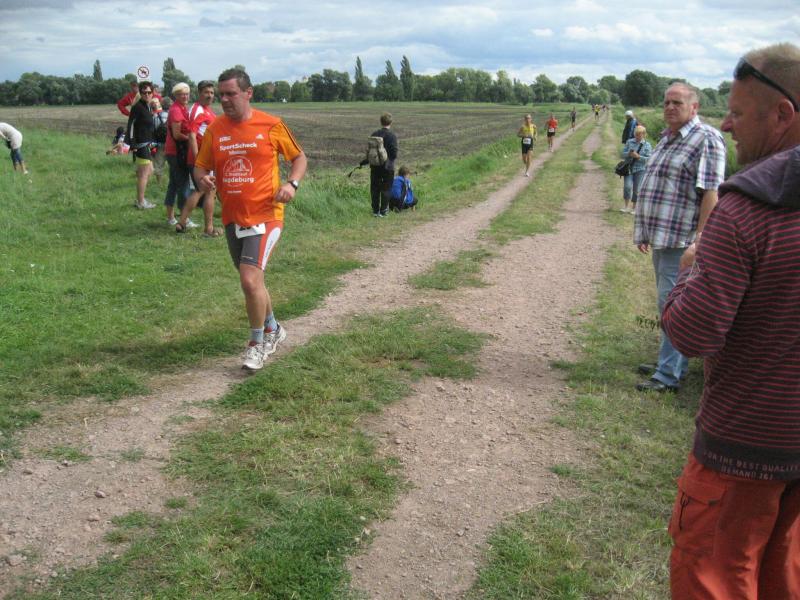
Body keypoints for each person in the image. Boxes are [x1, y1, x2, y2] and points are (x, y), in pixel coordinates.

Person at [661, 42, 800, 600]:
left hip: (744, 445)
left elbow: (692, 333)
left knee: (715, 576)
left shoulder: (746, 209)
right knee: (783, 576)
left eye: (738, 112)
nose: (726, 123)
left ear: (783, 114)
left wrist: (688, 273)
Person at [194, 68, 307, 371]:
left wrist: (291, 184)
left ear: (248, 93)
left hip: (266, 214)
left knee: (248, 279)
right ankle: (273, 328)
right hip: (233, 217)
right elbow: (200, 166)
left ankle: (257, 344)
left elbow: (299, 157)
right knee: (253, 282)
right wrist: (202, 178)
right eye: (221, 95)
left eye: (231, 94)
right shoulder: (215, 129)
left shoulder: (271, 125)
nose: (224, 100)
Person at [633, 82, 726, 393]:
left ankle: (668, 375)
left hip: (682, 241)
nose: (670, 107)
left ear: (694, 107)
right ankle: (670, 362)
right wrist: (645, 231)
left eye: (677, 103)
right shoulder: (667, 138)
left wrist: (700, 241)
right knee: (666, 303)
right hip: (663, 237)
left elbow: (711, 193)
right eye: (666, 103)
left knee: (674, 306)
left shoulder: (706, 139)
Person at [176, 80, 220, 236]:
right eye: (206, 92)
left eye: (212, 92)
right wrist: (198, 161)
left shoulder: (207, 110)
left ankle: (182, 223)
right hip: (201, 161)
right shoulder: (198, 110)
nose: (210, 95)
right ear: (199, 93)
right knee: (207, 191)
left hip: (206, 160)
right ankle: (208, 229)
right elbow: (192, 136)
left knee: (203, 190)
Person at [164, 82, 196, 227]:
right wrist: (191, 139)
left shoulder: (181, 108)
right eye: (181, 94)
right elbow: (177, 134)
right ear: (176, 96)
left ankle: (171, 217)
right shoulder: (176, 110)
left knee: (173, 184)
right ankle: (184, 218)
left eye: (187, 94)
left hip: (173, 151)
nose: (185, 96)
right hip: (177, 152)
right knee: (183, 185)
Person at [124, 82, 158, 209]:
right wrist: (131, 144)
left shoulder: (147, 106)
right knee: (144, 173)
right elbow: (131, 125)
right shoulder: (137, 107)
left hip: (147, 144)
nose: (147, 95)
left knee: (149, 171)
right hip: (141, 145)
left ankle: (140, 198)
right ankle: (141, 202)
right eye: (144, 92)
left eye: (149, 92)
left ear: (152, 93)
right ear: (140, 93)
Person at [359, 113, 398, 217]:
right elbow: (394, 154)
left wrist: (365, 162)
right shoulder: (392, 136)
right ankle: (384, 210)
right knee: (386, 188)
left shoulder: (374, 134)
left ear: (381, 122)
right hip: (388, 167)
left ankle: (375, 211)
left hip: (375, 166)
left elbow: (370, 152)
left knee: (375, 189)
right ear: (391, 122)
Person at [619, 125, 651, 213]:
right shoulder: (629, 142)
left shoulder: (647, 145)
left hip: (640, 169)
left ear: (644, 134)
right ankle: (626, 206)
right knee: (627, 187)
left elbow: (649, 159)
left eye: (639, 134)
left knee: (637, 189)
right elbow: (622, 154)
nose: (637, 136)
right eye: (636, 134)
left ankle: (634, 208)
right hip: (628, 168)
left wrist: (638, 157)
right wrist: (628, 154)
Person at [150, 97, 168, 184]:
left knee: (158, 164)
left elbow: (152, 131)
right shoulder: (172, 116)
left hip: (159, 143)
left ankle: (159, 183)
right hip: (171, 144)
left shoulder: (155, 117)